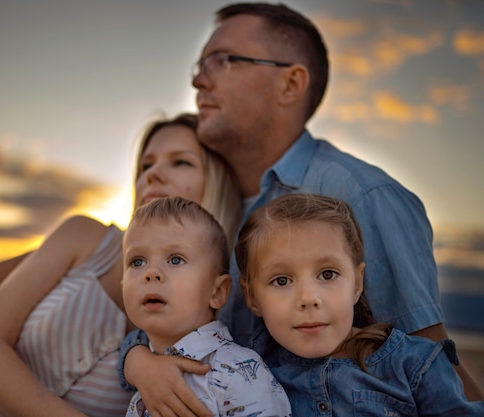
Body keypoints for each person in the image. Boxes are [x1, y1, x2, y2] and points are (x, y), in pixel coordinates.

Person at [120, 2, 482, 415]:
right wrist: (138, 362)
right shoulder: (214, 206)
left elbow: (436, 370)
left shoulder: (363, 195)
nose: (199, 80)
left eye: (222, 60)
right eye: (199, 66)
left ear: (290, 84)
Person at [0, 113, 242, 417]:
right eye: (146, 164)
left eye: (180, 162)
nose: (154, 173)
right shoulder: (91, 238)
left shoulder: (210, 325)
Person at [236, 193, 484, 416]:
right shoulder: (245, 374)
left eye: (328, 274)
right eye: (281, 280)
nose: (308, 298)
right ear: (252, 298)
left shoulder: (413, 365)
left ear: (357, 284)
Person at [122, 196, 291, 417]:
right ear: (122, 284)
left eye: (175, 260)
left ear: (217, 292)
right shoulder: (144, 377)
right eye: (137, 261)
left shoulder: (237, 370)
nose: (151, 273)